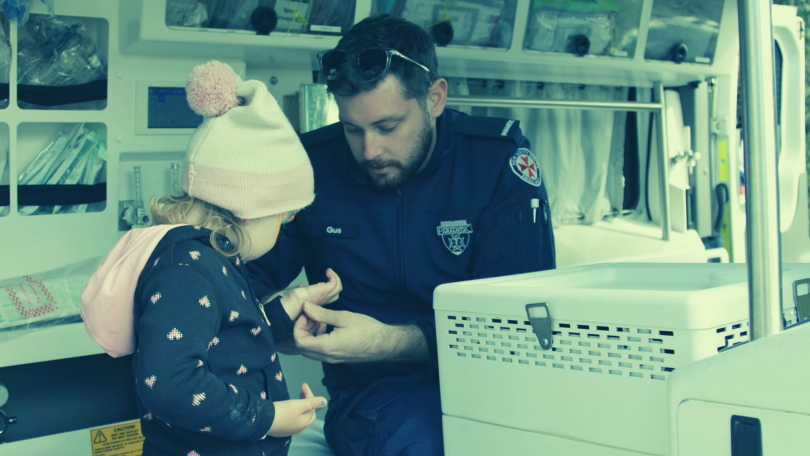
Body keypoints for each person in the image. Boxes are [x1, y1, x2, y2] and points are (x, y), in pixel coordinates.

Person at [247, 14, 556, 456]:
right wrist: (283, 324)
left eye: (388, 127)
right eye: (352, 129)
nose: (369, 151)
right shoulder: (312, 166)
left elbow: (520, 327)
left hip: (495, 388)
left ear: (434, 98)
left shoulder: (496, 166)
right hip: (376, 404)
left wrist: (386, 342)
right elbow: (240, 289)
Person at [79, 60, 343, 456]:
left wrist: (289, 304)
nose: (282, 229)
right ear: (252, 209)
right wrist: (268, 417)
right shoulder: (187, 271)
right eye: (284, 218)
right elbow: (170, 385)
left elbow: (230, 343)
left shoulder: (214, 258)